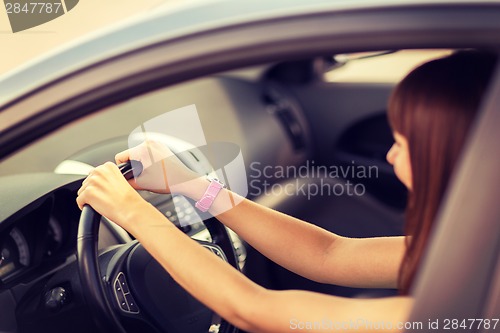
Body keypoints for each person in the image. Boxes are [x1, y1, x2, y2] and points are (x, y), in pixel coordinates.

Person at [76, 51, 497, 332]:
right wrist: (193, 186)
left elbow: (251, 311)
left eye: (402, 144)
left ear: (453, 158)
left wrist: (134, 214)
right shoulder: (476, 253)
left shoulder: (461, 312)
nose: (389, 156)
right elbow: (329, 255)